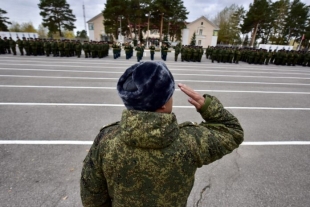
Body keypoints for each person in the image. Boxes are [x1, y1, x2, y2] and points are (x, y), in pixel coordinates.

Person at [80, 61, 244, 207]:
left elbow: (92, 197)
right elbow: (233, 131)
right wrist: (208, 106)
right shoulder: (191, 141)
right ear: (164, 104)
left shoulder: (106, 140)